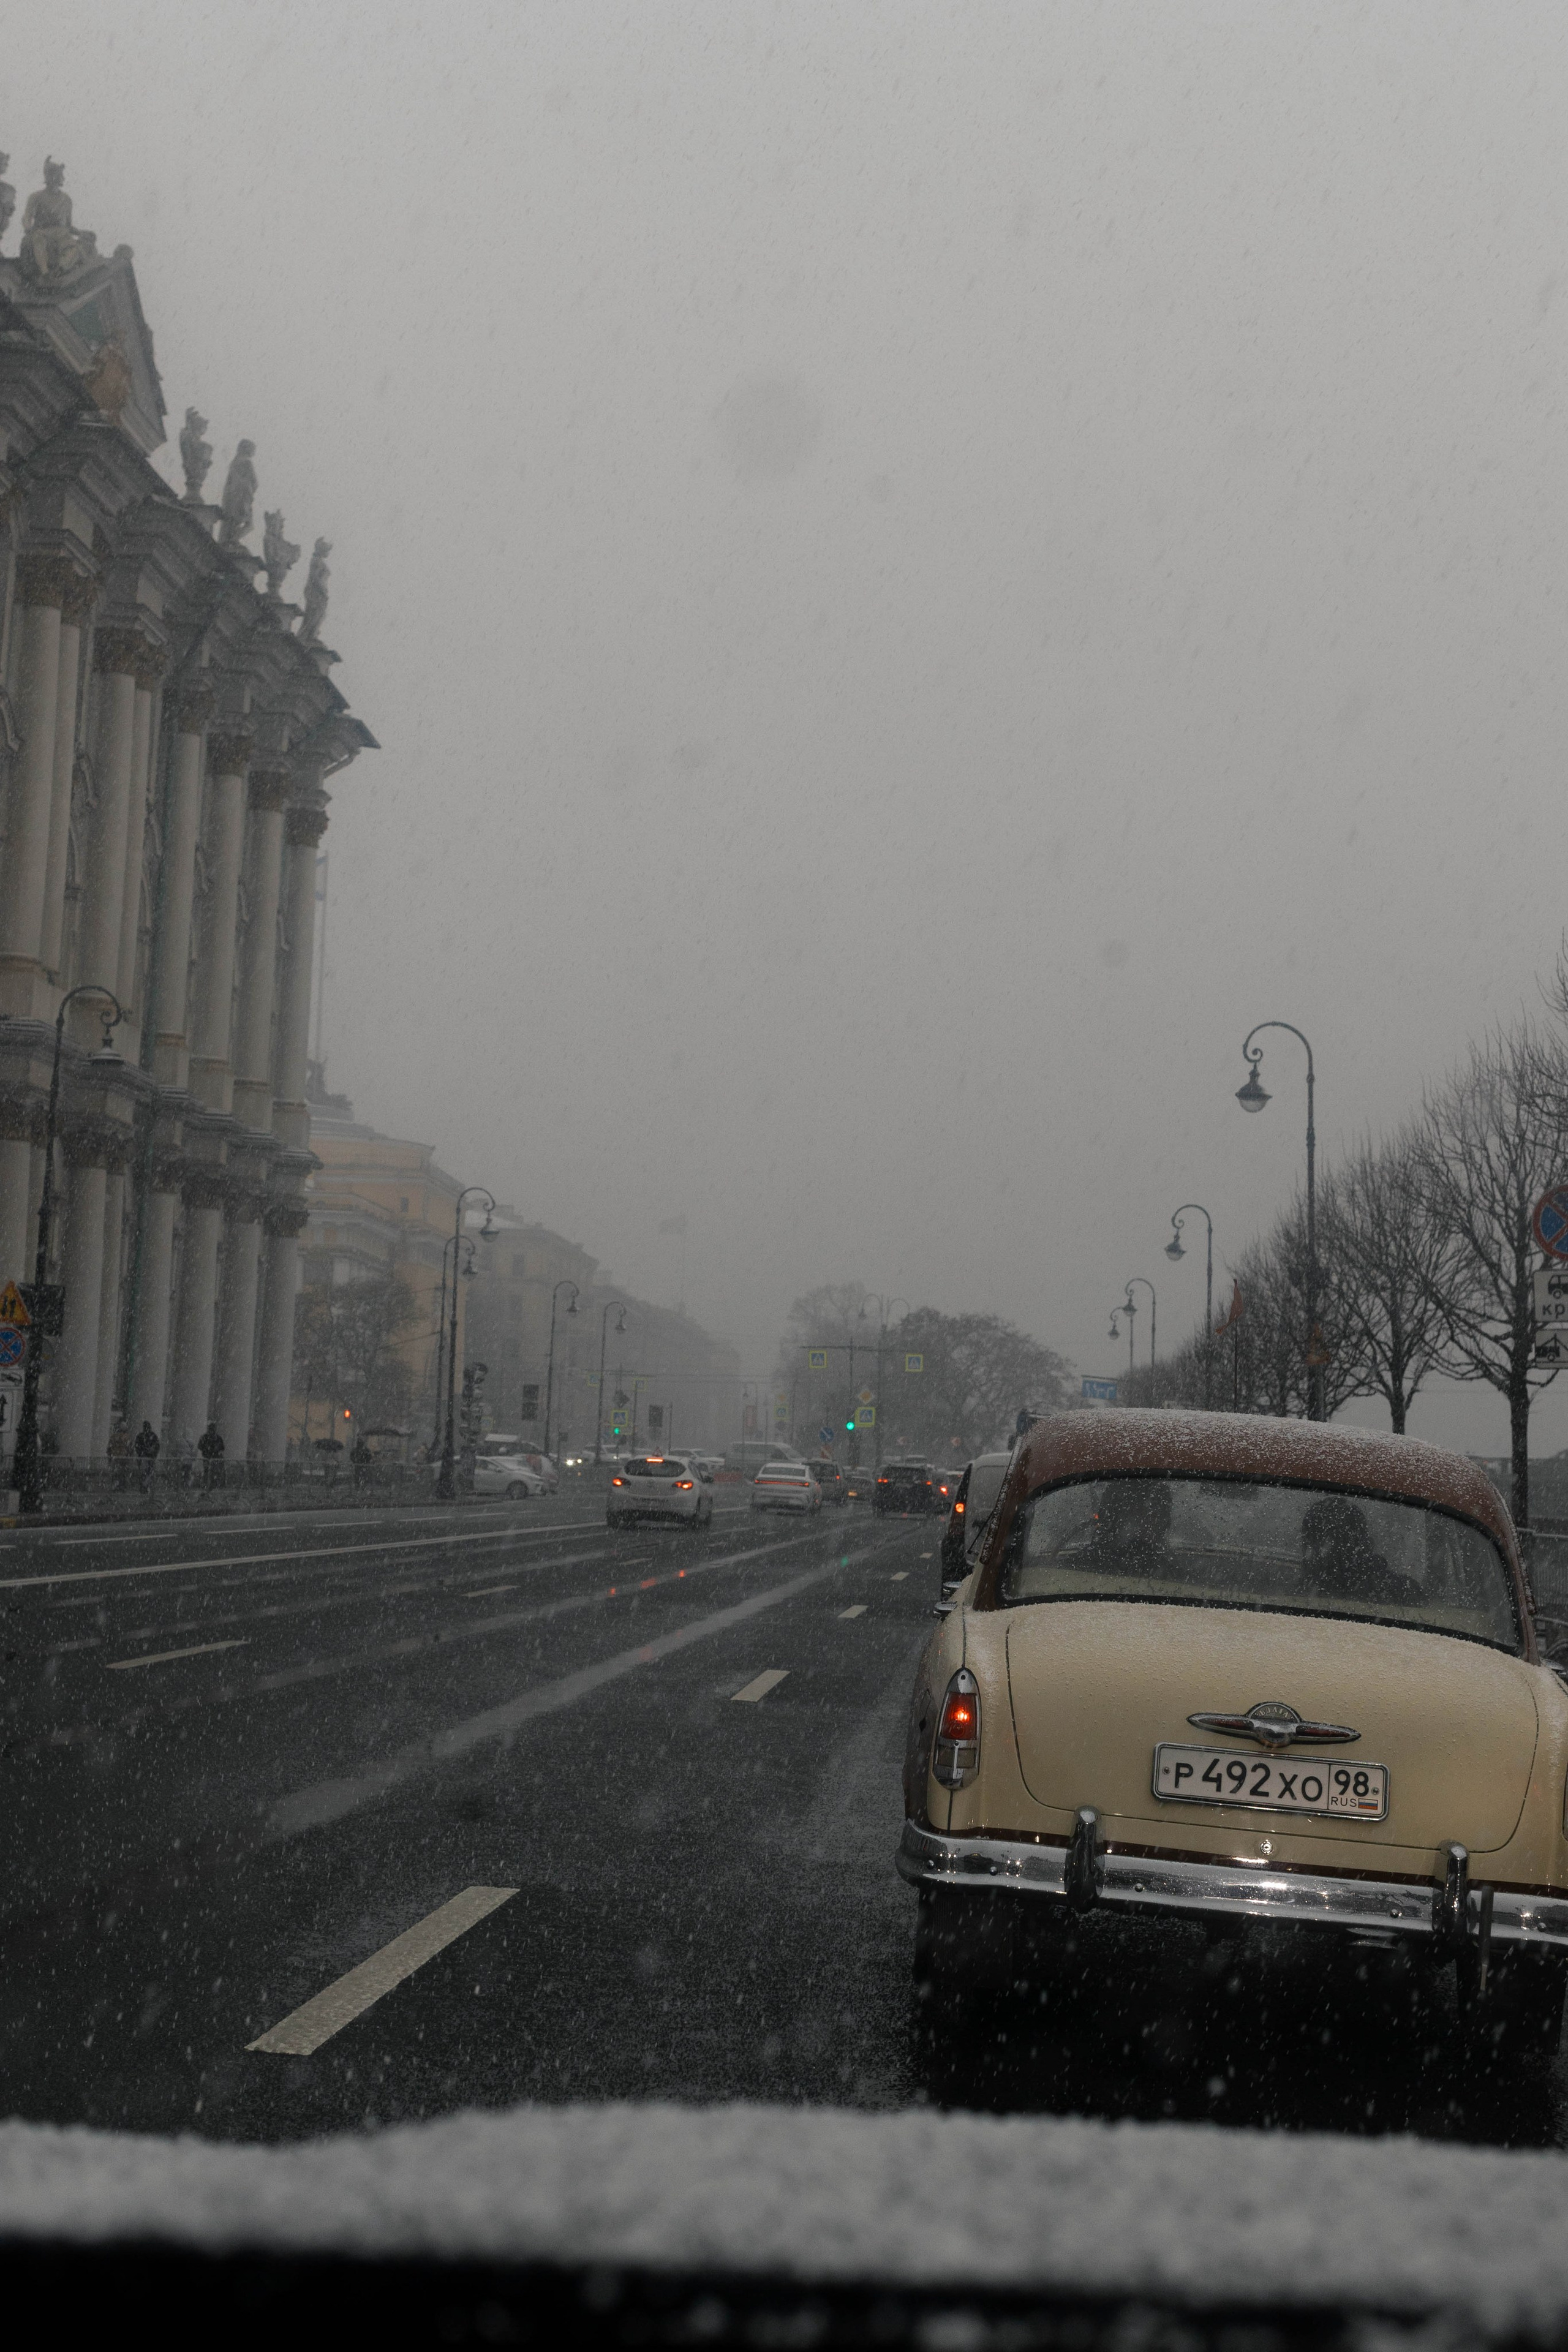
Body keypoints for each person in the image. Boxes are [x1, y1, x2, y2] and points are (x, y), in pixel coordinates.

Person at [132, 1419, 160, 1495]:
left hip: (143, 1458)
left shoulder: (141, 1436)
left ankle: (144, 1487)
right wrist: (154, 1455)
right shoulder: (153, 1436)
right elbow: (157, 1446)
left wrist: (141, 1454)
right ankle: (146, 1487)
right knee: (149, 1473)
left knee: (144, 1473)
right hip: (150, 1458)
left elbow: (137, 1447)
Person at [198, 1420, 225, 1490]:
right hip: (210, 1458)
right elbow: (200, 1446)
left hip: (210, 1458)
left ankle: (209, 1486)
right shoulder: (214, 1438)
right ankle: (209, 1486)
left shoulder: (208, 1437)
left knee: (210, 1472)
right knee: (210, 1472)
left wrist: (209, 1449)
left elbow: (222, 1447)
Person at [107, 1420, 132, 1490]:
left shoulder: (114, 1436)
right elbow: (129, 1448)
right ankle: (121, 1486)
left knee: (116, 1473)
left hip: (115, 1457)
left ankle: (115, 1486)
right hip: (123, 1458)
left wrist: (110, 1456)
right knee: (122, 1473)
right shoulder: (127, 1437)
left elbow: (109, 1448)